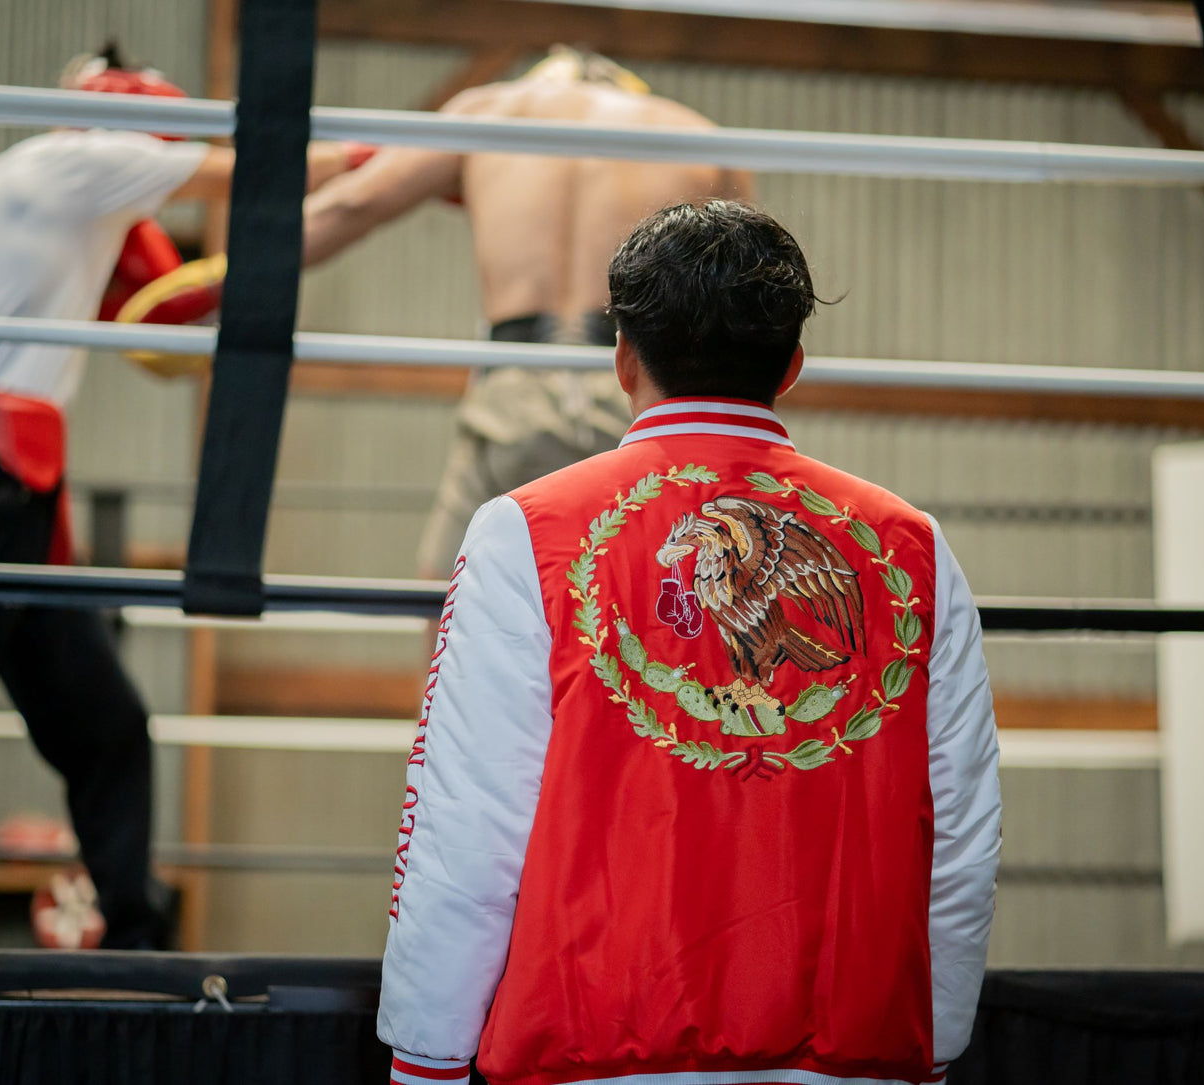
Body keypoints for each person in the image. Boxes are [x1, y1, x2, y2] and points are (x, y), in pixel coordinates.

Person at [378, 201, 1002, 1085]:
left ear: (623, 355)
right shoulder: (910, 548)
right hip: (849, 1053)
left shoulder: (526, 530)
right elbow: (961, 832)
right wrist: (929, 1043)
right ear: (790, 365)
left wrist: (425, 1057)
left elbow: (465, 821)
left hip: (591, 1049)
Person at [0, 42, 359, 948]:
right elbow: (266, 166)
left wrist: (297, 253)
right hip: (7, 470)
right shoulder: (84, 158)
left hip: (25, 483)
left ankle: (134, 937)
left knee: (105, 724)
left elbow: (161, 315)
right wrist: (400, 160)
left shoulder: (90, 200)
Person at [300, 46, 752, 577]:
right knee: (644, 594)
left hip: (515, 393)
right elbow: (742, 293)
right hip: (638, 390)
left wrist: (221, 288)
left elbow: (347, 206)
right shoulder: (696, 134)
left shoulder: (491, 111)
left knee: (451, 591)